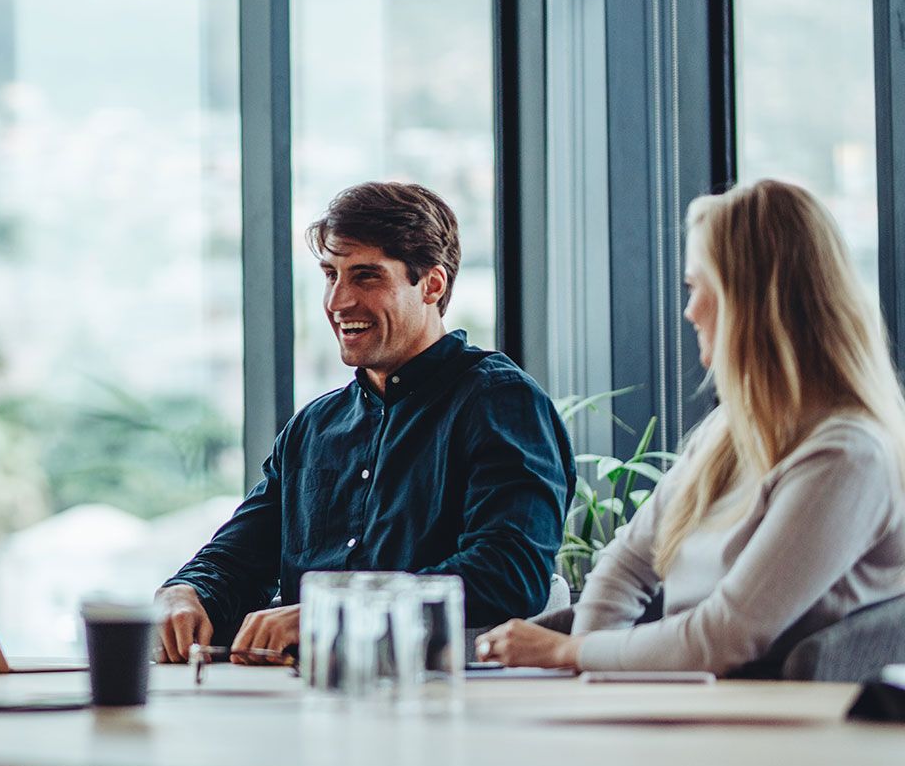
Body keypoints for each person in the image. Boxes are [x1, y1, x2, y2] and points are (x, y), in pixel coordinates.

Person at [477, 179, 905, 674]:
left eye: (697, 287)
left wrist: (569, 651)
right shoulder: (731, 429)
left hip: (780, 728)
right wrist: (591, 667)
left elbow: (726, 636)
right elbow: (628, 562)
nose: (689, 310)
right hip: (699, 704)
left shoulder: (846, 457)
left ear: (751, 301)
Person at [156, 181, 574, 662]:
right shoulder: (314, 426)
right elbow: (240, 555)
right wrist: (185, 591)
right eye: (330, 275)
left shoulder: (500, 402)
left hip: (444, 703)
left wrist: (335, 612)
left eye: (366, 277)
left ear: (432, 285)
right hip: (301, 699)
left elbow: (508, 574)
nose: (337, 302)